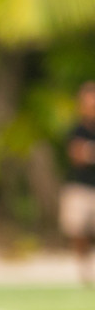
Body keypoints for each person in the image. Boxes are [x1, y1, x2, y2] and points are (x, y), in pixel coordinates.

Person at [61, 80, 95, 286]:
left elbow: (84, 152)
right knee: (78, 230)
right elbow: (76, 155)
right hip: (80, 186)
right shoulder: (76, 129)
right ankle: (83, 270)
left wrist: (87, 151)